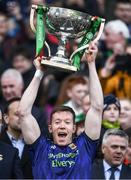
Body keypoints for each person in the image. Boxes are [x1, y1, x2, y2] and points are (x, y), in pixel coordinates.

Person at [18, 42, 103, 179]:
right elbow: (23, 113)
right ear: (50, 128)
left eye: (67, 122)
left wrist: (91, 63)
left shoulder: (85, 146)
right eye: (57, 122)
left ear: (74, 127)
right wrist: (39, 73)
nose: (62, 125)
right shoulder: (41, 147)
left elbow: (97, 108)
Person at [0, 68, 49, 137]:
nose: (8, 91)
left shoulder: (38, 113)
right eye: (4, 87)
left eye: (11, 86)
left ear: (21, 85)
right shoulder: (0, 111)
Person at [0, 98, 33, 178]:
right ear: (6, 118)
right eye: (17, 114)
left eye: (25, 115)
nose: (22, 118)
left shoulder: (36, 143)